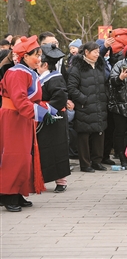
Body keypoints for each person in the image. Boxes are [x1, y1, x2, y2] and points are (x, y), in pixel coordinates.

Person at [0, 36, 58, 212]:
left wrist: (48, 109)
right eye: (36, 55)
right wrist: (41, 113)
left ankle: (17, 191)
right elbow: (20, 100)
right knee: (14, 156)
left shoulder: (26, 72)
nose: (39, 59)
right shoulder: (17, 73)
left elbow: (30, 100)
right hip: (14, 117)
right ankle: (8, 194)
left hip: (21, 117)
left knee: (23, 156)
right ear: (25, 56)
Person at [67, 42, 108, 173]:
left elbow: (105, 84)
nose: (97, 54)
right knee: (83, 135)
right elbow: (72, 88)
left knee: (99, 132)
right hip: (84, 106)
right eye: (94, 51)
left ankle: (97, 161)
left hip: (99, 104)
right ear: (86, 52)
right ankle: (85, 164)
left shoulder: (100, 65)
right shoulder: (77, 68)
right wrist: (83, 99)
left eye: (98, 51)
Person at [37, 44, 71, 192]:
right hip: (43, 115)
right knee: (44, 148)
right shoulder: (40, 77)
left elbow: (60, 97)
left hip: (54, 116)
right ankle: (42, 178)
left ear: (45, 64)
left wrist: (47, 109)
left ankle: (61, 180)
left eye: (39, 61)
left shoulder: (55, 78)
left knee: (58, 148)